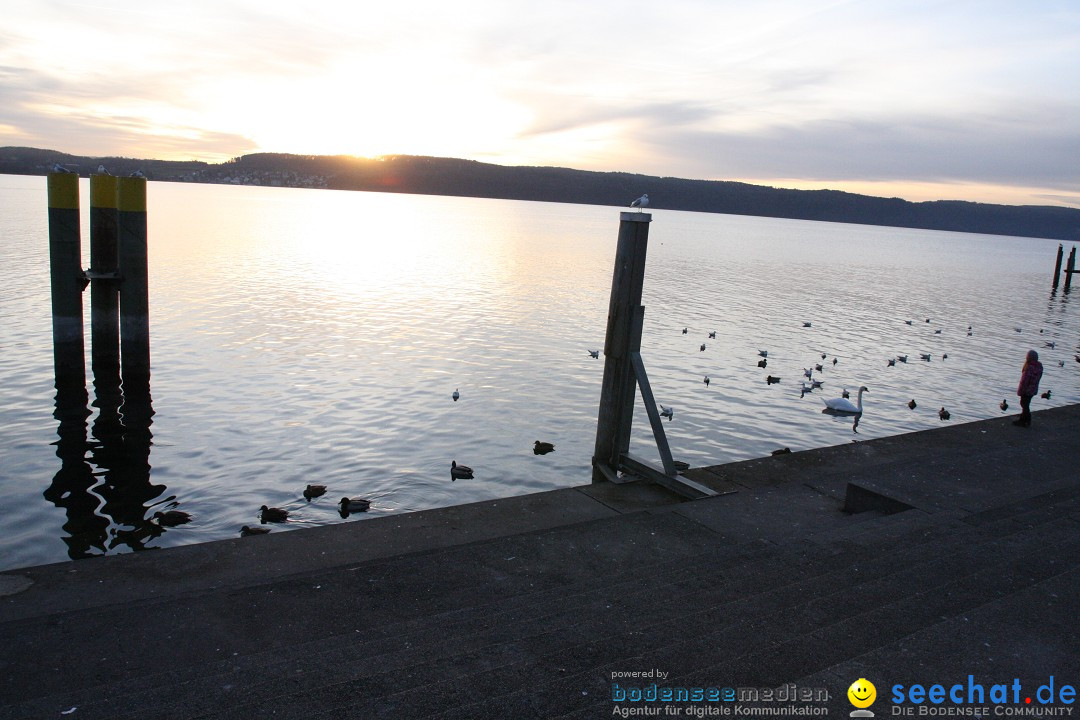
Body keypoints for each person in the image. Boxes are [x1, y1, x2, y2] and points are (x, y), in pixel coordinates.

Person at [1014, 349, 1043, 427]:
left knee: (1024, 404)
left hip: (1027, 390)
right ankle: (1023, 419)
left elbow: (1025, 381)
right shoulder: (1039, 366)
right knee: (1026, 403)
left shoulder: (1029, 367)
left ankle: (1026, 420)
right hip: (1033, 389)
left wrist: (1021, 391)